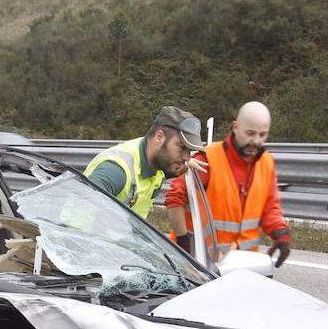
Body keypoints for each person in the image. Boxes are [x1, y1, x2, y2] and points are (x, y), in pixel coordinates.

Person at [164, 101, 290, 266]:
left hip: (243, 265)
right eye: (250, 133)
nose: (256, 141)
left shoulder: (267, 162)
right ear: (235, 126)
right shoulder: (209, 159)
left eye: (262, 135)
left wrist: (280, 232)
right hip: (201, 264)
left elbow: (270, 206)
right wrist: (183, 242)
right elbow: (175, 197)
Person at [84, 106, 205, 218]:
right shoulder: (117, 171)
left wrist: (185, 166)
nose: (187, 157)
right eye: (182, 147)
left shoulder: (156, 164)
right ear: (159, 137)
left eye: (189, 151)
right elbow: (78, 213)